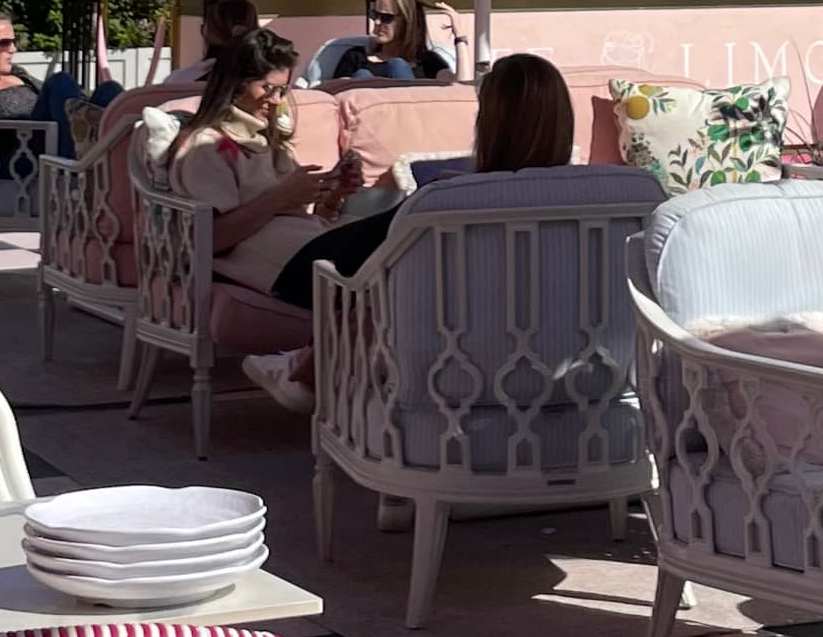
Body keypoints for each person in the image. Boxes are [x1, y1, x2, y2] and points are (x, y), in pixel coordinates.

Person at [242, 53, 582, 415]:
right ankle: (305, 363)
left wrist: (443, 192)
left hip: (464, 361)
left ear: (491, 124)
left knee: (390, 270)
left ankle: (307, 370)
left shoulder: (451, 203)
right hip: (574, 362)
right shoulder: (608, 199)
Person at [169, 29, 367, 306]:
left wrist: (334, 193)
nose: (276, 100)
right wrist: (281, 196)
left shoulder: (269, 142)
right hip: (286, 264)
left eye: (282, 90)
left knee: (403, 233)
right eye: (267, 88)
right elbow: (209, 240)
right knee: (389, 238)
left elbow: (305, 218)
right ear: (237, 84)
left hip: (310, 246)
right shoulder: (209, 146)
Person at [313, 0, 453, 90]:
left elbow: (460, 90)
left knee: (397, 65)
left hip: (406, 120)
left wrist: (461, 39)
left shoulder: (429, 63)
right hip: (367, 123)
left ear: (407, 21)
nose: (377, 23)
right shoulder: (355, 57)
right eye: (375, 15)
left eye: (386, 18)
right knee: (362, 75)